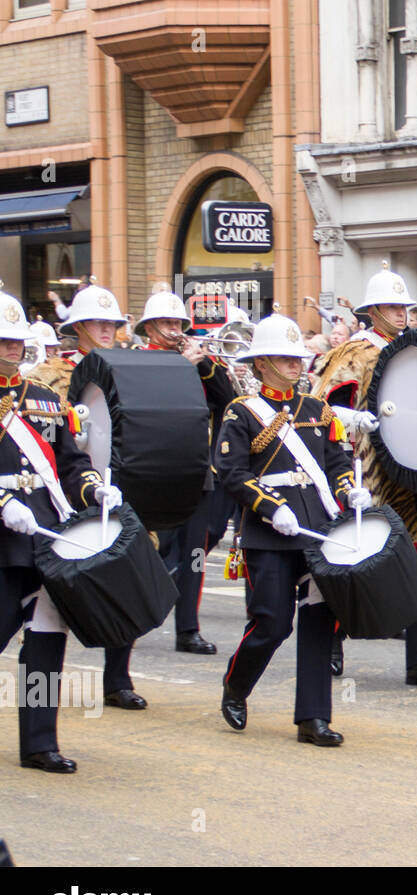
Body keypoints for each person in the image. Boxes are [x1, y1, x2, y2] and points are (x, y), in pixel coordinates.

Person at [215, 313, 365, 745]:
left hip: (317, 529)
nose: (296, 364)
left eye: (298, 357)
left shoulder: (317, 410)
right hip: (270, 531)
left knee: (320, 620)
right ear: (261, 364)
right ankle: (236, 685)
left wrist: (349, 490)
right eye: (284, 358)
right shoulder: (242, 412)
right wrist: (271, 507)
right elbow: (232, 473)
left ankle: (313, 718)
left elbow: (336, 462)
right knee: (273, 622)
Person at [311, 263, 417, 687]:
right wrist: (355, 418)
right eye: (390, 307)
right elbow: (319, 408)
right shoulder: (353, 352)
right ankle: (333, 639)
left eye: (403, 307)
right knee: (368, 564)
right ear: (371, 311)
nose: (399, 314)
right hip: (375, 473)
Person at [0, 286, 122, 772]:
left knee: (47, 641)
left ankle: (38, 742)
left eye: (14, 341)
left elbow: (71, 462)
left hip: (48, 536)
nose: (11, 348)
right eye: (2, 341)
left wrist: (94, 491)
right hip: (2, 536)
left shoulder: (45, 400)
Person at [26, 282, 148, 711]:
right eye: (95, 322)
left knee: (127, 577)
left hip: (114, 484)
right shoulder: (46, 379)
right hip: (60, 490)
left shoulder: (132, 369)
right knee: (41, 600)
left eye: (111, 322)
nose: (105, 329)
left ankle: (117, 677)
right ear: (77, 327)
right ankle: (38, 699)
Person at [136, 288, 238, 655]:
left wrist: (205, 364)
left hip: (196, 470)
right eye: (165, 323)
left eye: (178, 322)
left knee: (196, 550)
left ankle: (187, 628)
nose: (174, 329)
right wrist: (182, 366)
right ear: (149, 328)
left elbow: (228, 401)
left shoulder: (198, 362)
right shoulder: (137, 361)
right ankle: (138, 612)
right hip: (154, 470)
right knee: (155, 546)